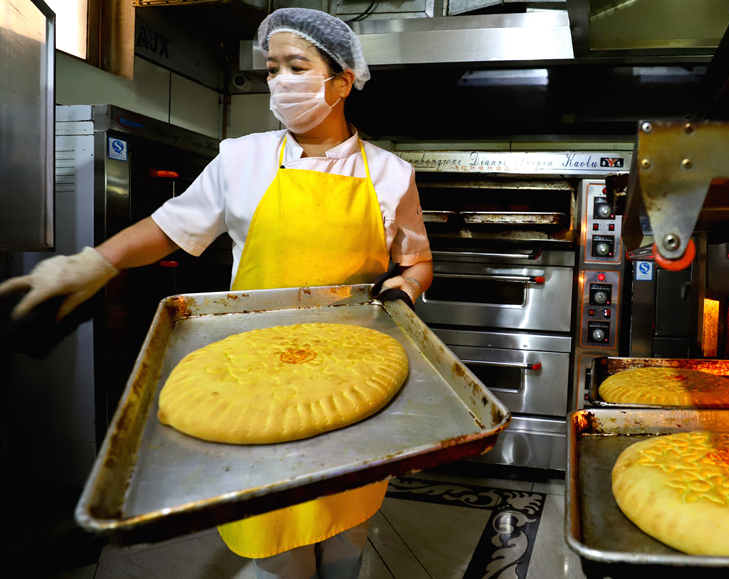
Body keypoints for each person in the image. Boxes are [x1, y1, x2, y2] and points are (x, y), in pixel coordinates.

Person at [0, 7, 432, 579]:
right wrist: (93, 263)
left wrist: (409, 285)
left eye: (296, 66)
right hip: (254, 369)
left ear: (342, 81)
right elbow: (169, 227)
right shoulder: (241, 158)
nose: (279, 81)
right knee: (273, 527)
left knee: (346, 517)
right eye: (272, 68)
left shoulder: (392, 175)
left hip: (352, 369)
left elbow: (418, 260)